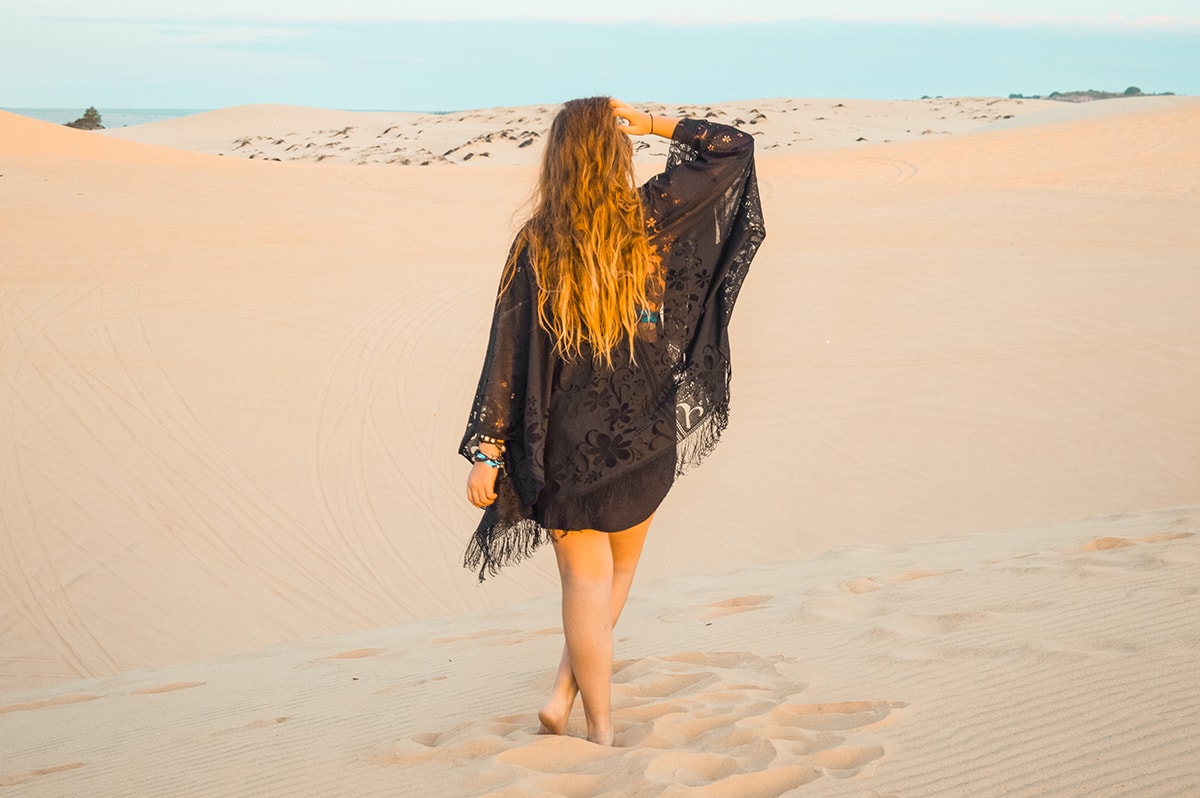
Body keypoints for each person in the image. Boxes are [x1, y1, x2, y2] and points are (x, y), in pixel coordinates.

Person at [460, 97, 764, 746]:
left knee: (583, 582)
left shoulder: (536, 241)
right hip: (645, 431)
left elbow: (506, 353)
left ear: (558, 162)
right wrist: (656, 124)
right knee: (618, 575)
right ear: (616, 154)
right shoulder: (654, 215)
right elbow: (733, 147)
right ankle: (567, 700)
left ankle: (592, 720)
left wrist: (489, 449)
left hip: (568, 439)